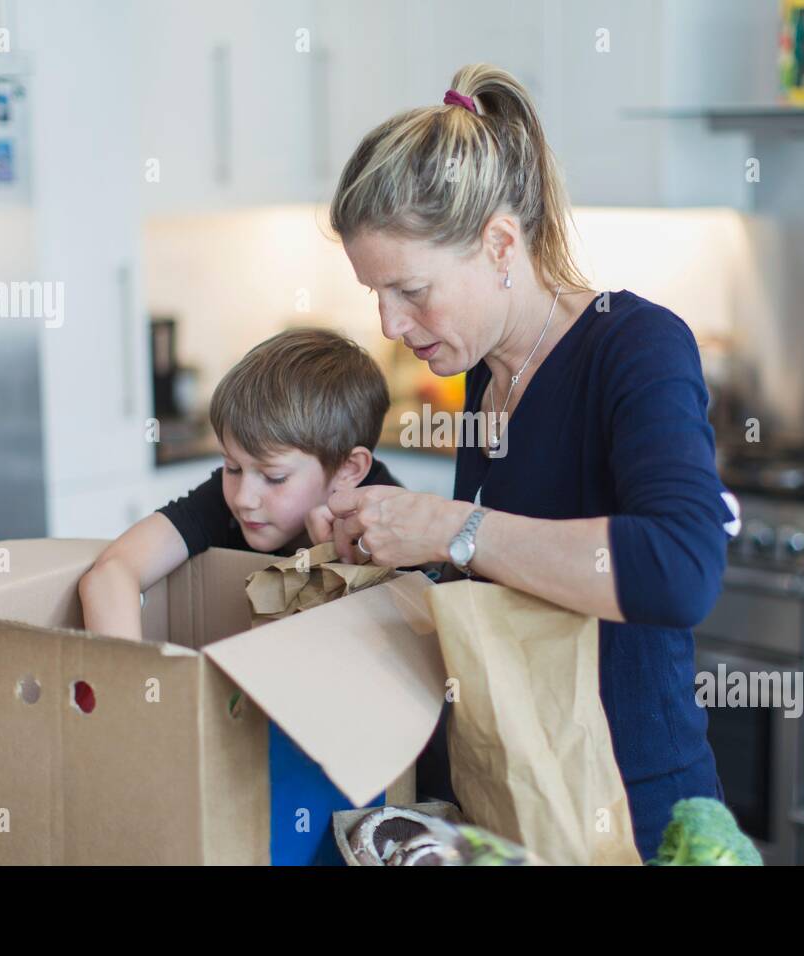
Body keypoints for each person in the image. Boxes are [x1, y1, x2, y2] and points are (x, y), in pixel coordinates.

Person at [316, 64, 740, 859]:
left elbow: (683, 569)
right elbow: (515, 574)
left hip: (632, 812)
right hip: (519, 799)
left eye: (409, 290)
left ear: (500, 244)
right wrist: (381, 522)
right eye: (375, 294)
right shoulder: (485, 371)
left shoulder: (635, 345)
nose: (390, 322)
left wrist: (451, 527)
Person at [79, 328, 402, 642]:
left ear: (348, 469)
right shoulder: (225, 499)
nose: (244, 498)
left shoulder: (390, 520)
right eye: (231, 466)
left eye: (274, 477)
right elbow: (113, 572)